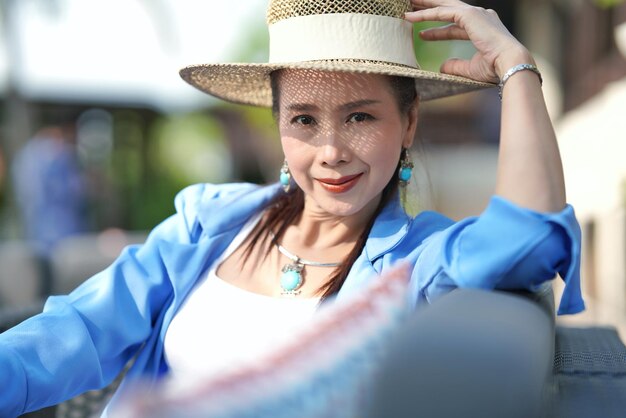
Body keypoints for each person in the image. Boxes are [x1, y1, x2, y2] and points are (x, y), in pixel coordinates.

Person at [0, 0, 585, 416]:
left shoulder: (419, 259)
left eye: (360, 116)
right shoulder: (209, 221)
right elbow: (76, 331)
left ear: (408, 122)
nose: (331, 152)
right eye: (304, 119)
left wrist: (517, 69)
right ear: (278, 124)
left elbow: (529, 238)